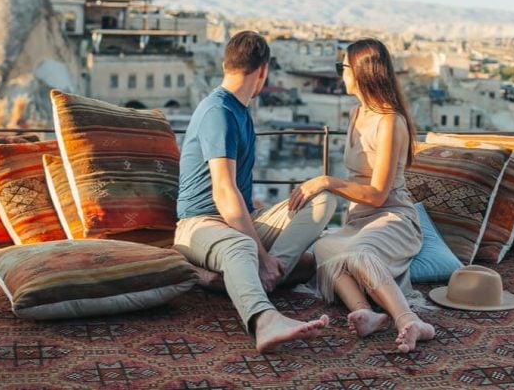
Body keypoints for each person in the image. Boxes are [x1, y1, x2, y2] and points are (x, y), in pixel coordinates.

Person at [174, 31, 337, 353]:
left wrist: (265, 246)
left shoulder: (239, 110)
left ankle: (256, 276)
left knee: (323, 199)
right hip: (200, 225)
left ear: (226, 64)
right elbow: (223, 191)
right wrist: (261, 254)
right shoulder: (218, 112)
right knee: (242, 248)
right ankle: (264, 319)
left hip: (238, 219)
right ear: (263, 71)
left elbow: (237, 194)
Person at [288, 38, 435, 353]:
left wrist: (327, 181)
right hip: (358, 220)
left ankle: (408, 320)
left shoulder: (390, 121)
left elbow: (379, 194)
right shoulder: (357, 113)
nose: (340, 73)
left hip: (392, 217)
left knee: (360, 252)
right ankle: (364, 311)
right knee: (326, 246)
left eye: (343, 67)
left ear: (359, 71)